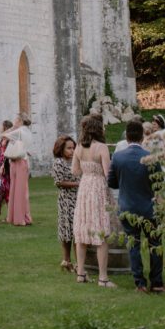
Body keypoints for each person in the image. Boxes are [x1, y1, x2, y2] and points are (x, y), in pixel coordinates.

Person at [108, 118, 164, 294]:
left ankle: (140, 283)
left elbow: (112, 182)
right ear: (142, 137)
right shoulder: (150, 157)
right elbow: (158, 184)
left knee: (133, 245)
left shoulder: (117, 157)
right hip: (149, 207)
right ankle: (157, 283)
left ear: (127, 137)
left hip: (127, 207)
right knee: (155, 243)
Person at [72, 113, 114, 287]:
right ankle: (103, 278)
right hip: (98, 188)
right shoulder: (101, 147)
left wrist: (87, 170)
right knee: (100, 230)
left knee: (83, 229)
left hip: (84, 187)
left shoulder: (78, 147)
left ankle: (81, 273)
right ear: (97, 129)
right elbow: (108, 173)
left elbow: (75, 171)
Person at [51, 135, 79, 271]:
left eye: (73, 148)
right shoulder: (58, 162)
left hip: (78, 198)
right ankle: (67, 260)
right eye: (69, 148)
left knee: (76, 231)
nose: (72, 150)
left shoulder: (76, 160)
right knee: (67, 231)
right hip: (66, 200)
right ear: (61, 149)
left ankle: (77, 262)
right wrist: (77, 184)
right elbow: (59, 182)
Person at [3, 113, 32, 226]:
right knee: (22, 190)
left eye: (16, 119)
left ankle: (19, 218)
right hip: (23, 161)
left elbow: (3, 135)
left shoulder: (19, 131)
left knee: (17, 190)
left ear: (20, 121)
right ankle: (25, 216)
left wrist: (11, 128)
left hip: (18, 161)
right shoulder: (27, 131)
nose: (14, 121)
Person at [0, 119, 13, 218]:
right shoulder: (2, 138)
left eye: (1, 126)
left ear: (5, 127)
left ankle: (10, 215)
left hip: (5, 166)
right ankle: (9, 214)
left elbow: (7, 154)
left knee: (6, 189)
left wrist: (2, 166)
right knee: (1, 189)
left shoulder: (9, 139)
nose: (0, 127)